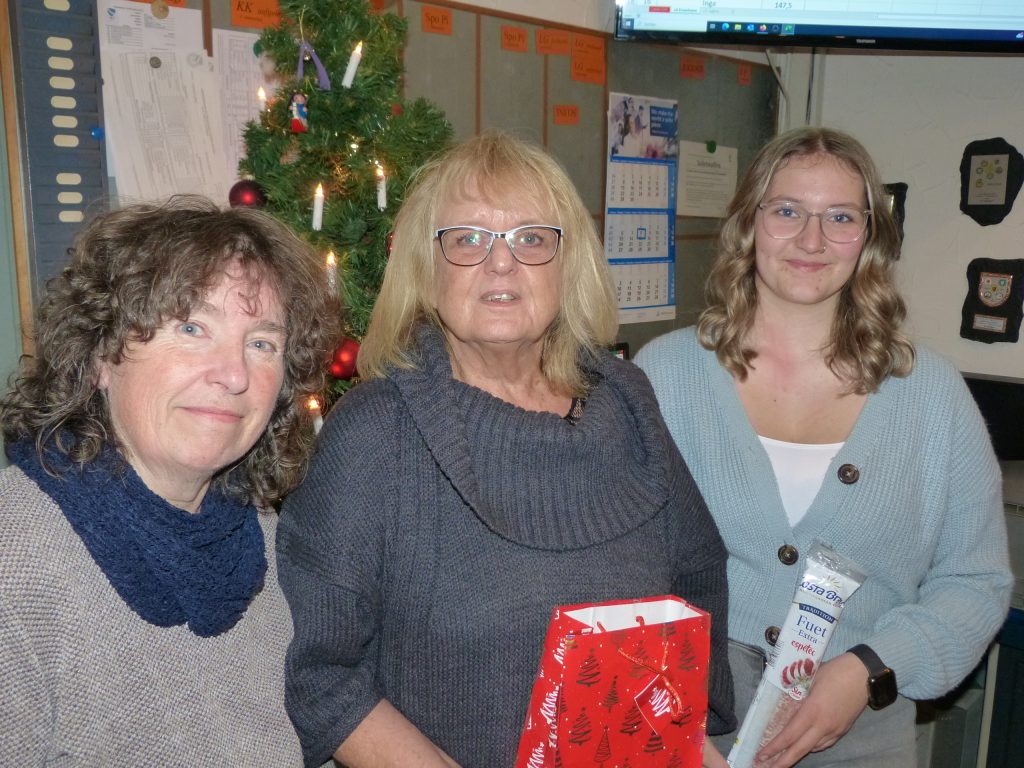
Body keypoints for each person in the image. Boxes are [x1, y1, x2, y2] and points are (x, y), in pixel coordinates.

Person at [276, 131, 735, 768]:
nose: (501, 263)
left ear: (568, 265)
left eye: (531, 238)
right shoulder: (376, 434)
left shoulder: (627, 401)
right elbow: (324, 676)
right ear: (425, 270)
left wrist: (687, 741)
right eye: (468, 239)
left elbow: (695, 585)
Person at [635, 127, 1012, 768]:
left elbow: (975, 581)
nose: (812, 240)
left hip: (863, 734)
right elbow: (614, 570)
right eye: (787, 211)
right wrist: (668, 721)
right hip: (687, 720)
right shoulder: (665, 379)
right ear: (749, 223)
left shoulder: (930, 397)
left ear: (868, 236)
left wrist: (868, 669)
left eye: (840, 217)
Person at [0, 195, 341, 765]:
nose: (234, 374)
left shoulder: (261, 538)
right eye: (191, 326)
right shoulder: (16, 562)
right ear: (102, 356)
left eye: (261, 343)